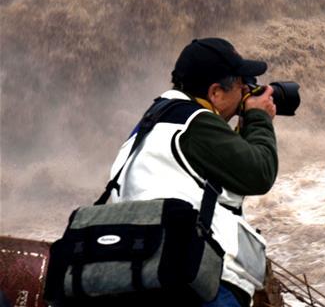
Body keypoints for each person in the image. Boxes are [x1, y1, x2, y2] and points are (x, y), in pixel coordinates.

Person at [107, 38, 278, 307]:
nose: (246, 89)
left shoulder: (154, 121)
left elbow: (223, 185)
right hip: (194, 283)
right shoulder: (196, 124)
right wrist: (259, 119)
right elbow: (260, 173)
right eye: (240, 83)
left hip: (141, 271)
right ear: (215, 93)